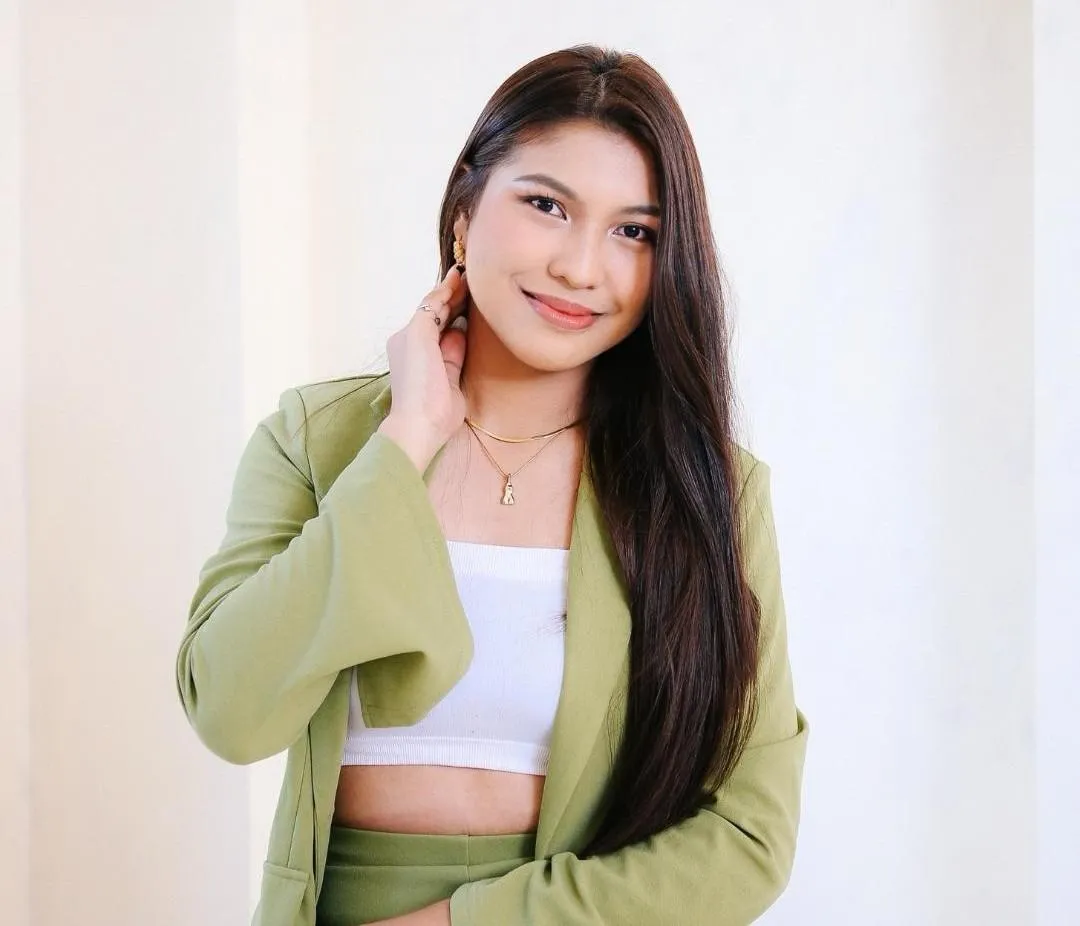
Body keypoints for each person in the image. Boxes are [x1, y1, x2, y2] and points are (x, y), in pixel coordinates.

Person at [176, 43, 808, 926]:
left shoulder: (711, 493)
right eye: (547, 205)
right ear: (464, 215)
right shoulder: (319, 442)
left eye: (634, 232)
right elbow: (229, 711)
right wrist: (406, 440)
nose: (581, 268)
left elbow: (748, 837)